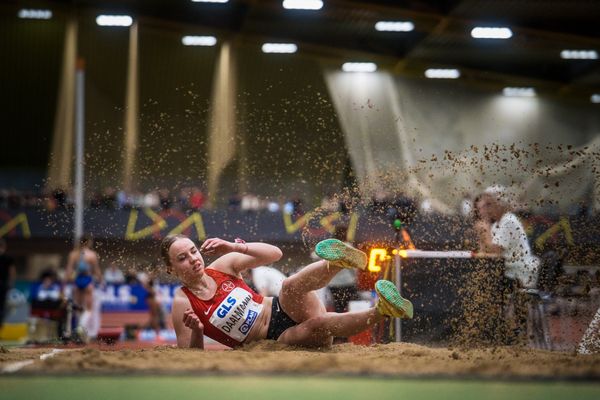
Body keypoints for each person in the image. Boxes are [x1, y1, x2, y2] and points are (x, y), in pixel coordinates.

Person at [161, 235, 413, 349]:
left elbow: (275, 254)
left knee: (289, 286)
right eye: (182, 258)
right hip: (273, 339)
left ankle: (338, 261)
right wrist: (197, 331)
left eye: (193, 250)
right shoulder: (183, 302)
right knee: (316, 325)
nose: (193, 259)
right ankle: (383, 310)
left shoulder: (222, 266)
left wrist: (233, 247)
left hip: (283, 306)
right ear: (171, 269)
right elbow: (189, 354)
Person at [474, 185, 541, 343]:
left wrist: (484, 229)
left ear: (501, 204)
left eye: (489, 205)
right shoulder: (498, 223)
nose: (487, 210)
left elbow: (495, 251)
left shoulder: (508, 221)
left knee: (485, 287)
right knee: (483, 283)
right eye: (485, 206)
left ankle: (501, 333)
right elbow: (487, 251)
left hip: (521, 276)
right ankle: (497, 332)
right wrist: (484, 231)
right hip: (511, 273)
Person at [63, 234, 102, 339]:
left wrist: (64, 284)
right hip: (87, 280)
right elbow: (96, 271)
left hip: (77, 281)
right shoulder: (91, 255)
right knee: (89, 308)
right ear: (88, 242)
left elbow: (69, 270)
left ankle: (78, 330)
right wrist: (101, 281)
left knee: (78, 307)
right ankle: (81, 327)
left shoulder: (73, 254)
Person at [0, 238, 16, 330]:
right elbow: (12, 272)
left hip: (3, 285)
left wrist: (10, 283)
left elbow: (12, 272)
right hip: (4, 285)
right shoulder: (8, 258)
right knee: (2, 307)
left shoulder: (8, 258)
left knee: (2, 307)